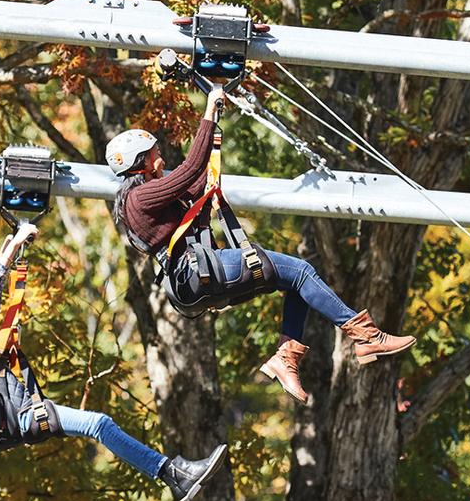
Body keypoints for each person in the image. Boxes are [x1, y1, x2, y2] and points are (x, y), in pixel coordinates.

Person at [108, 88, 416, 404]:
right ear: (139, 161)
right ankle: (364, 335)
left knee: (295, 283)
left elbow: (198, 183)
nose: (161, 155)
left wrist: (214, 143)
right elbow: (188, 172)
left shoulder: (144, 199)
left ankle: (286, 358)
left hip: (197, 282)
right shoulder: (139, 197)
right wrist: (209, 115)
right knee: (301, 271)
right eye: (154, 151)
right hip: (204, 270)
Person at [0, 222, 226, 501]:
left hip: (18, 413)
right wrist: (3, 261)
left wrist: (10, 264)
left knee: (99, 424)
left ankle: (175, 474)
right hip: (16, 418)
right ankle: (174, 474)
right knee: (98, 423)